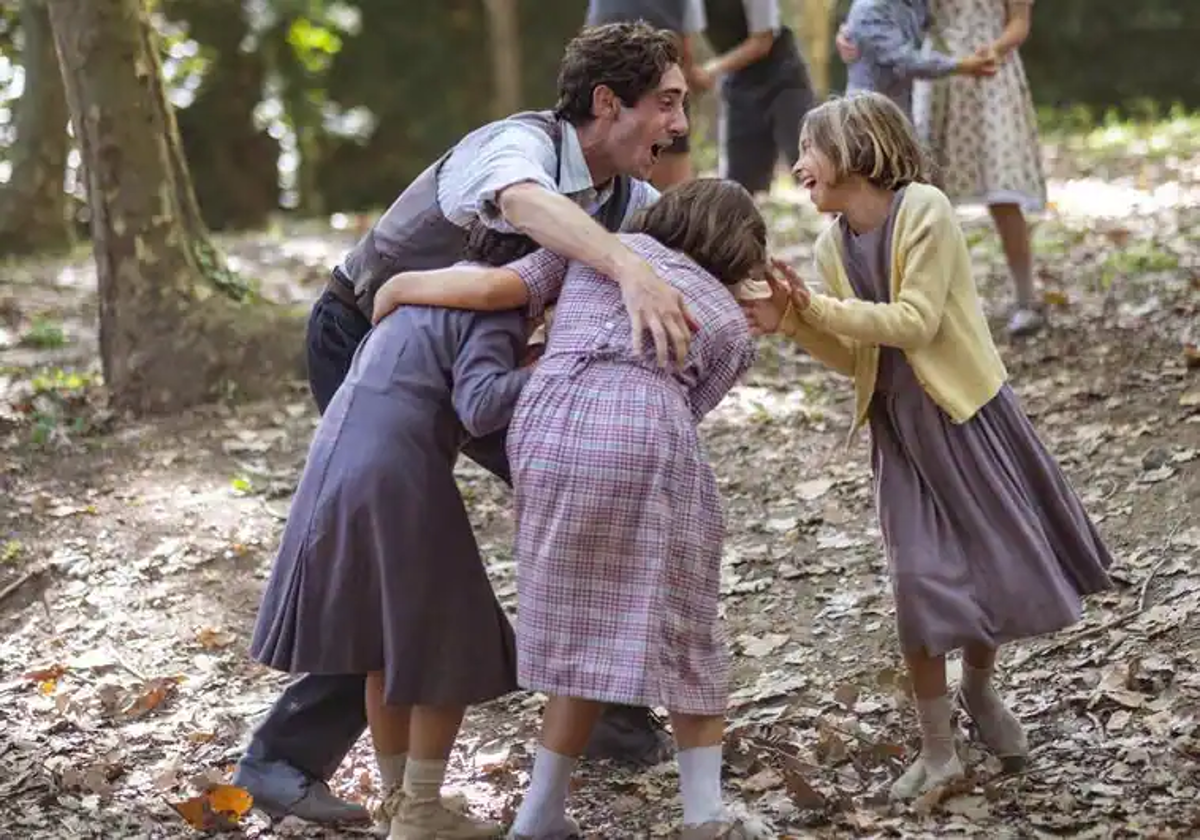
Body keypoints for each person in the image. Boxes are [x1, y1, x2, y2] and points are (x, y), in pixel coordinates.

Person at [235, 21, 688, 826]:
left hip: (477, 359)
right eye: (666, 102)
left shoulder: (627, 194)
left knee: (588, 486)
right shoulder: (513, 148)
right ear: (608, 102)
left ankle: (603, 703)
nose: (680, 124)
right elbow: (526, 208)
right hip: (368, 342)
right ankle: (286, 757)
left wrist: (758, 277)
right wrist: (626, 268)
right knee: (388, 558)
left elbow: (689, 240)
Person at [376, 178, 772, 839]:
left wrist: (395, 288)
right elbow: (688, 410)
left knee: (582, 616)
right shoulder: (729, 323)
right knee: (686, 625)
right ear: (736, 252)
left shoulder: (596, 249)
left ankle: (539, 817)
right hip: (643, 430)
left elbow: (491, 290)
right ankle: (705, 817)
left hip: (546, 426)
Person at [744, 93, 1112, 800]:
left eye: (808, 149)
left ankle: (980, 691)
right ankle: (938, 750)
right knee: (918, 581)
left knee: (991, 568)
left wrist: (810, 305)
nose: (798, 166)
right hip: (902, 432)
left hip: (967, 418)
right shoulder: (831, 245)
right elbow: (858, 351)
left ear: (854, 148)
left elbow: (912, 322)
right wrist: (788, 320)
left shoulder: (926, 212)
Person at [251, 223, 543, 840]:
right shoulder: (494, 307)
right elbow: (483, 404)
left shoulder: (427, 294)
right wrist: (557, 369)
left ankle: (397, 800)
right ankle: (420, 809)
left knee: (383, 642)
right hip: (396, 468)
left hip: (338, 454)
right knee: (450, 638)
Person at [839, 0, 1048, 337]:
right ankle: (923, 302)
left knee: (1002, 189)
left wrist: (992, 49)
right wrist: (855, 29)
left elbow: (1019, 22)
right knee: (924, 195)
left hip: (990, 76)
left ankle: (1026, 299)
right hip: (935, 76)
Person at [686, 0, 815, 196]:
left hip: (783, 77)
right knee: (740, 185)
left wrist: (710, 71)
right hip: (739, 82)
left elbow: (762, 41)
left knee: (811, 162)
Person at [585, 0, 705, 188]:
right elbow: (687, 47)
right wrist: (693, 75)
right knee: (674, 195)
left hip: (607, 84)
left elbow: (591, 32)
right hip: (661, 79)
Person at [840, 0, 996, 118]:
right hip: (866, 112)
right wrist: (961, 65)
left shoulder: (915, 3)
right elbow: (905, 61)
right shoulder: (871, 9)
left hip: (900, 110)